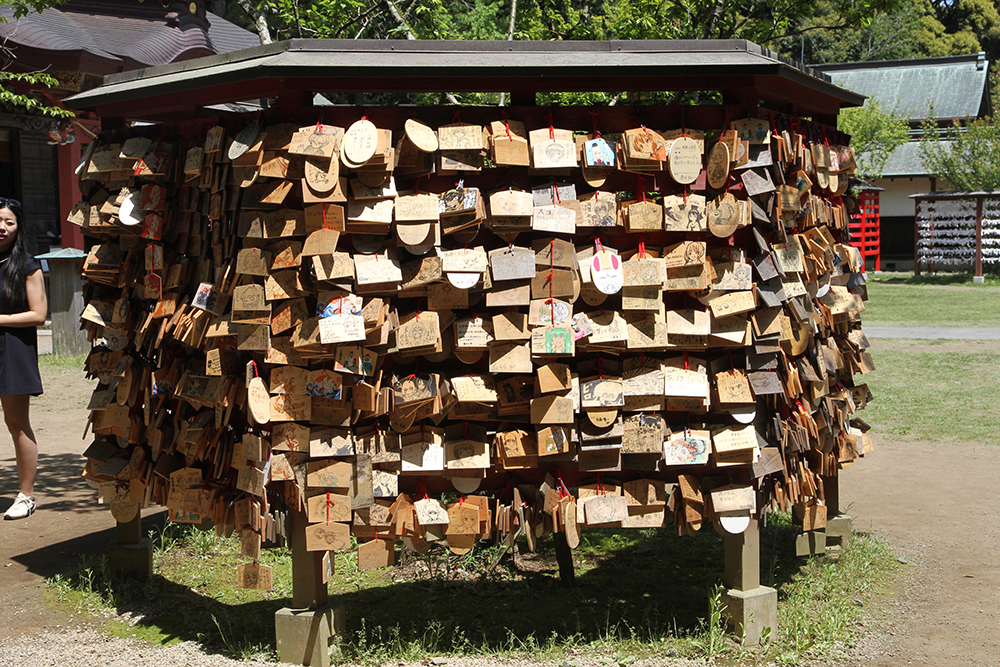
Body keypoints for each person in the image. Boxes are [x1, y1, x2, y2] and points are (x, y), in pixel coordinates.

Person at [0, 198, 46, 520]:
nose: (2, 227)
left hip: (13, 349)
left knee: (16, 423)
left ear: (18, 227)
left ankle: (26, 496)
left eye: (9, 222)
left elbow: (39, 314)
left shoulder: (27, 265)